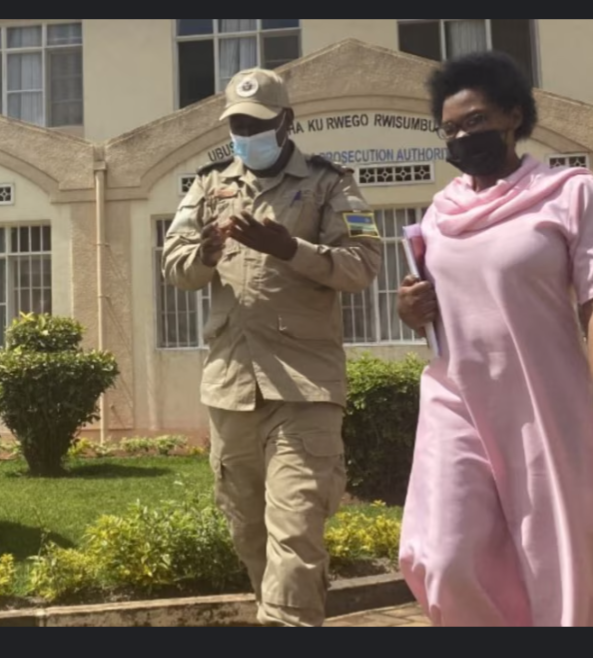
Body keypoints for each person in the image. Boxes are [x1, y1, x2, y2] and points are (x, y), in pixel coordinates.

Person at [394, 51, 593, 628]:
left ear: (514, 116)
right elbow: (439, 307)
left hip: (544, 399)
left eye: (475, 121)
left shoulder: (569, 192)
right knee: (443, 558)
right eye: (450, 129)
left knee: (562, 562)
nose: (462, 137)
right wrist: (409, 308)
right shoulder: (440, 213)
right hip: (457, 399)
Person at [162, 67, 383, 627]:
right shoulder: (209, 185)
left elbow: (363, 265)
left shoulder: (332, 184)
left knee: (296, 530)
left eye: (256, 123)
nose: (245, 133)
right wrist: (204, 254)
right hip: (230, 385)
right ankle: (288, 615)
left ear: (286, 121)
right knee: (248, 530)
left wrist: (291, 249)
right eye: (237, 124)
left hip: (304, 387)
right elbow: (174, 265)